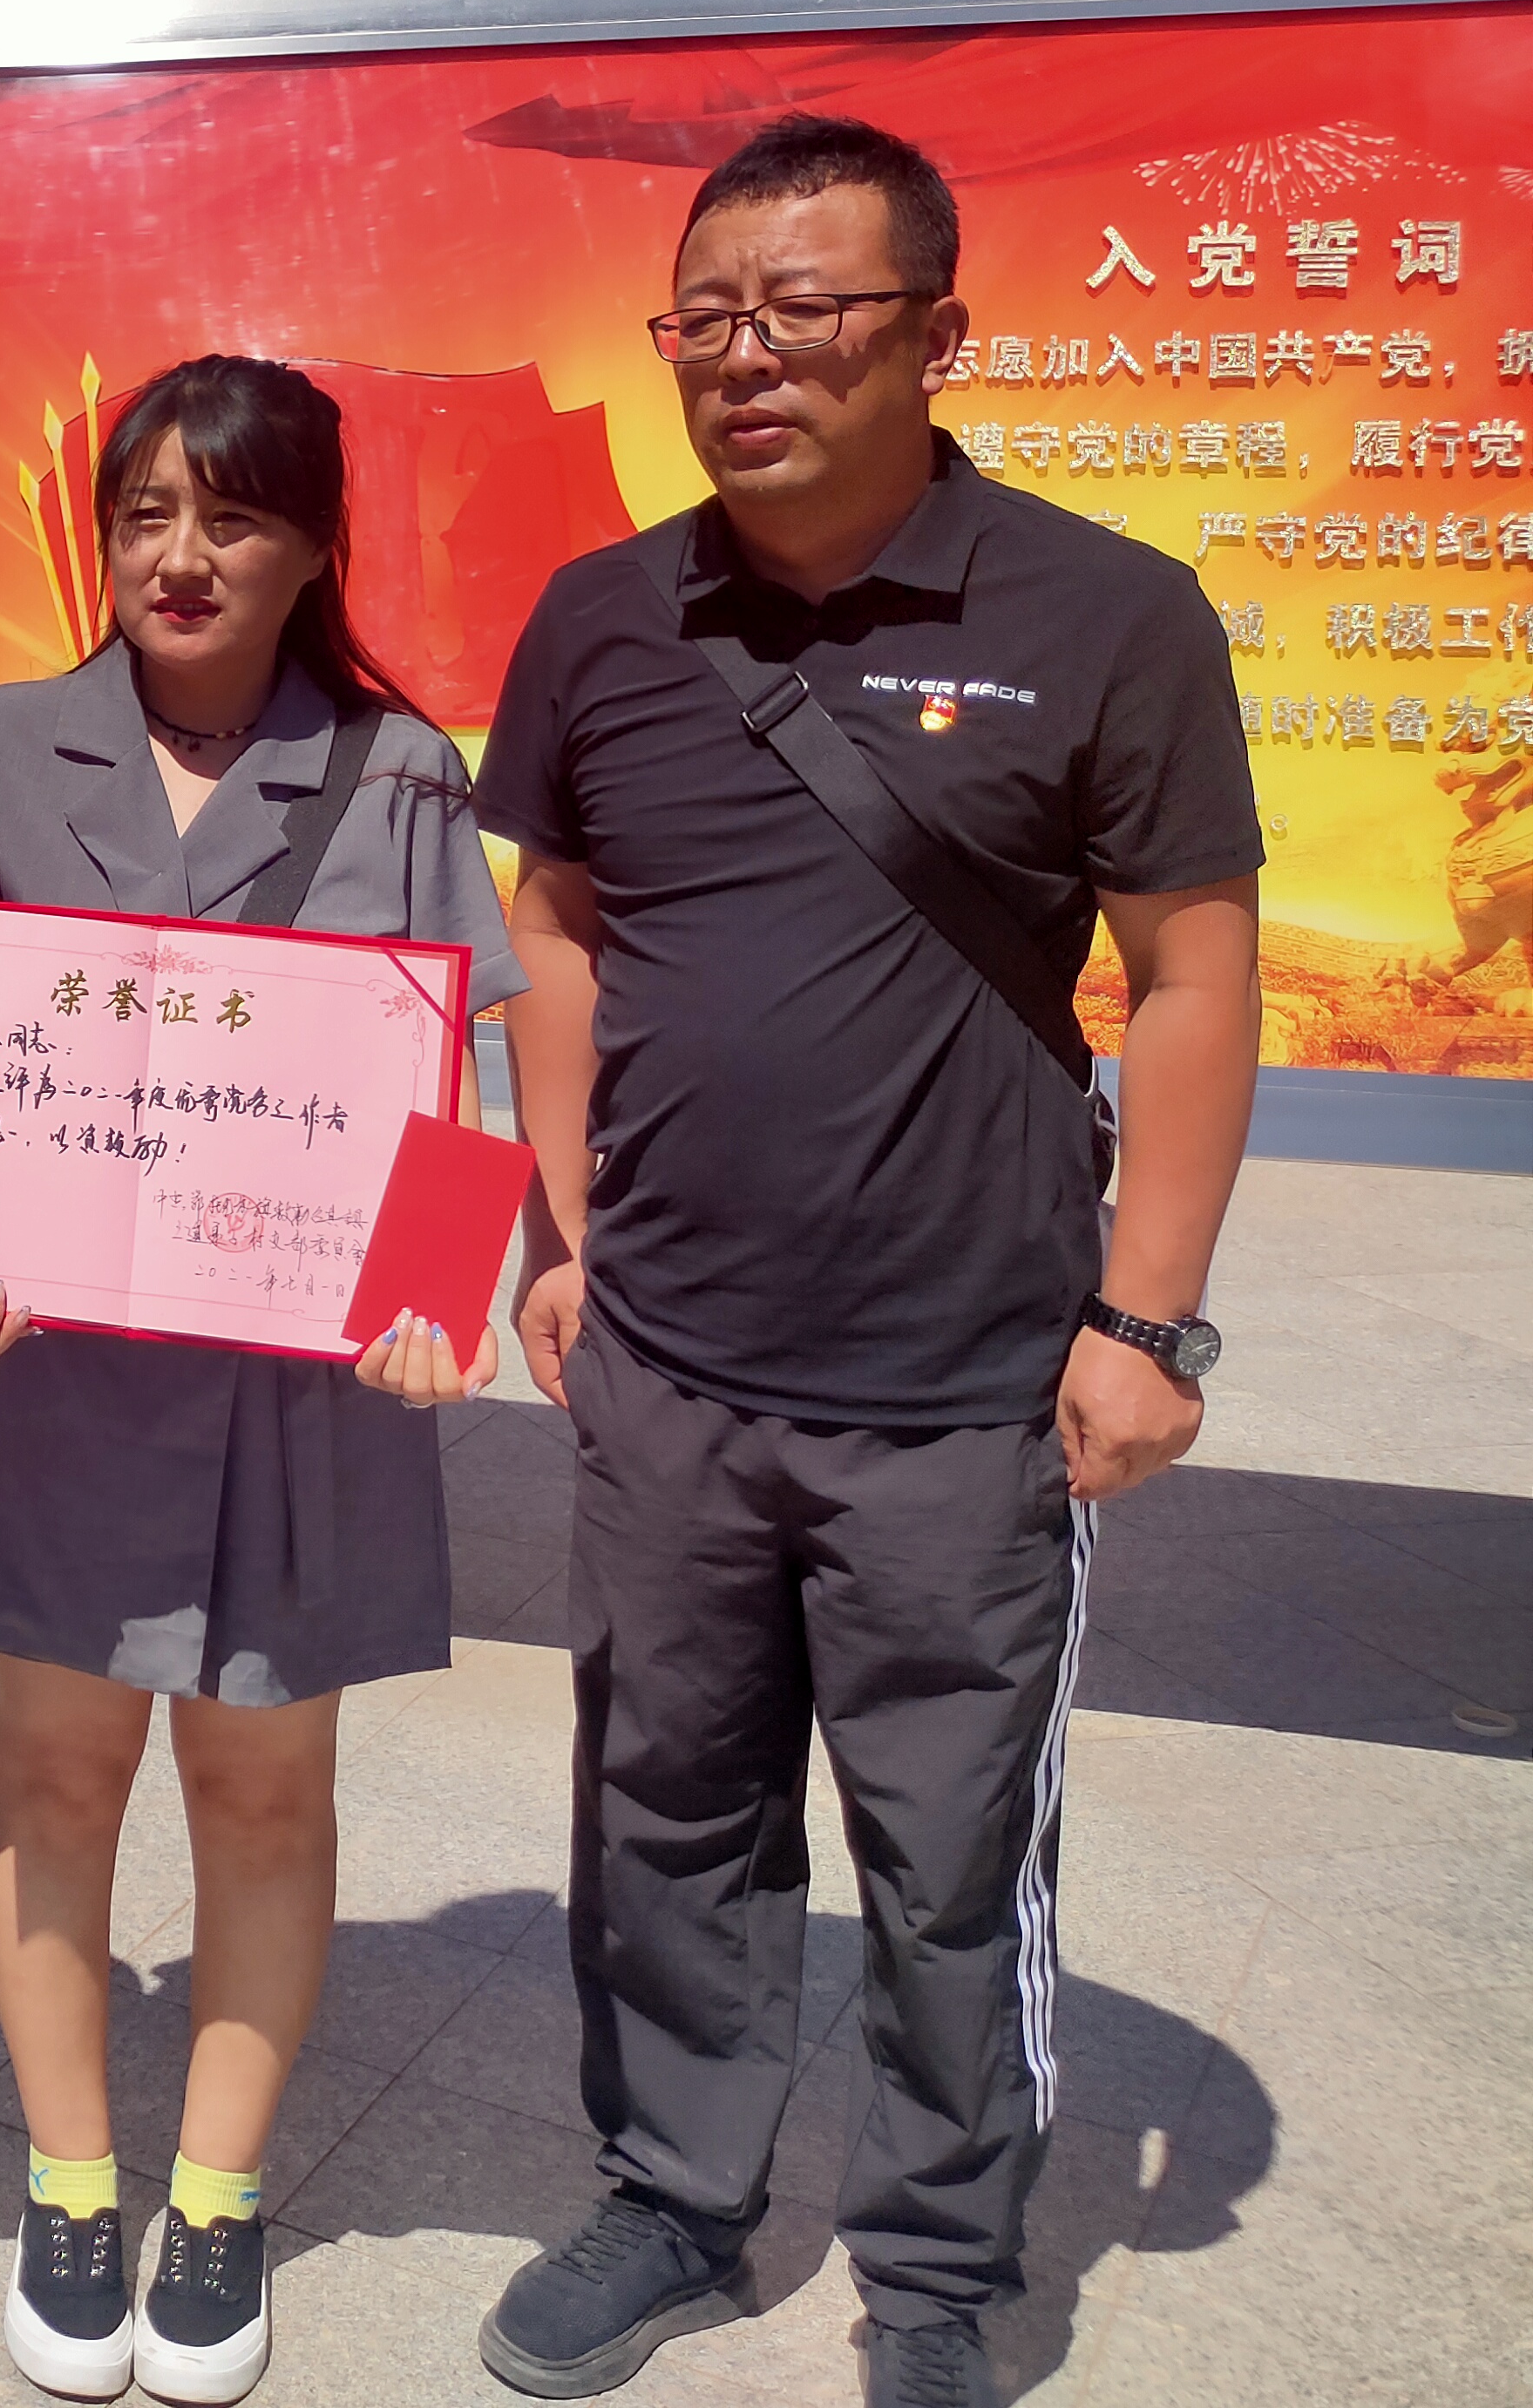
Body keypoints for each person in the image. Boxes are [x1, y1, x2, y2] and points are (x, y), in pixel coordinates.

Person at [470, 118, 1262, 2408]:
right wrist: (566, 1228)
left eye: (805, 311)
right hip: (672, 1373)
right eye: (707, 317)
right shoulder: (604, 616)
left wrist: (1145, 1318)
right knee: (668, 1811)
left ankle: (935, 2275)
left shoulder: (1105, 613)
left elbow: (1192, 978)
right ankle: (673, 2192)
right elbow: (556, 926)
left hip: (965, 1387)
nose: (748, 358)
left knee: (949, 1859)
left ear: (938, 336)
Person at [0, 356, 523, 2405]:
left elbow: (459, 1071)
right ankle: (73, 2183)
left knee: (263, 1786)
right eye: (144, 511)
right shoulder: (3, 744)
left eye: (230, 516)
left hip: (301, 1400)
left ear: (313, 543)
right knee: (55, 1778)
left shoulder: (399, 774)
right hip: (44, 1377)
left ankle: (216, 2202)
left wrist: (435, 1300)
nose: (180, 554)